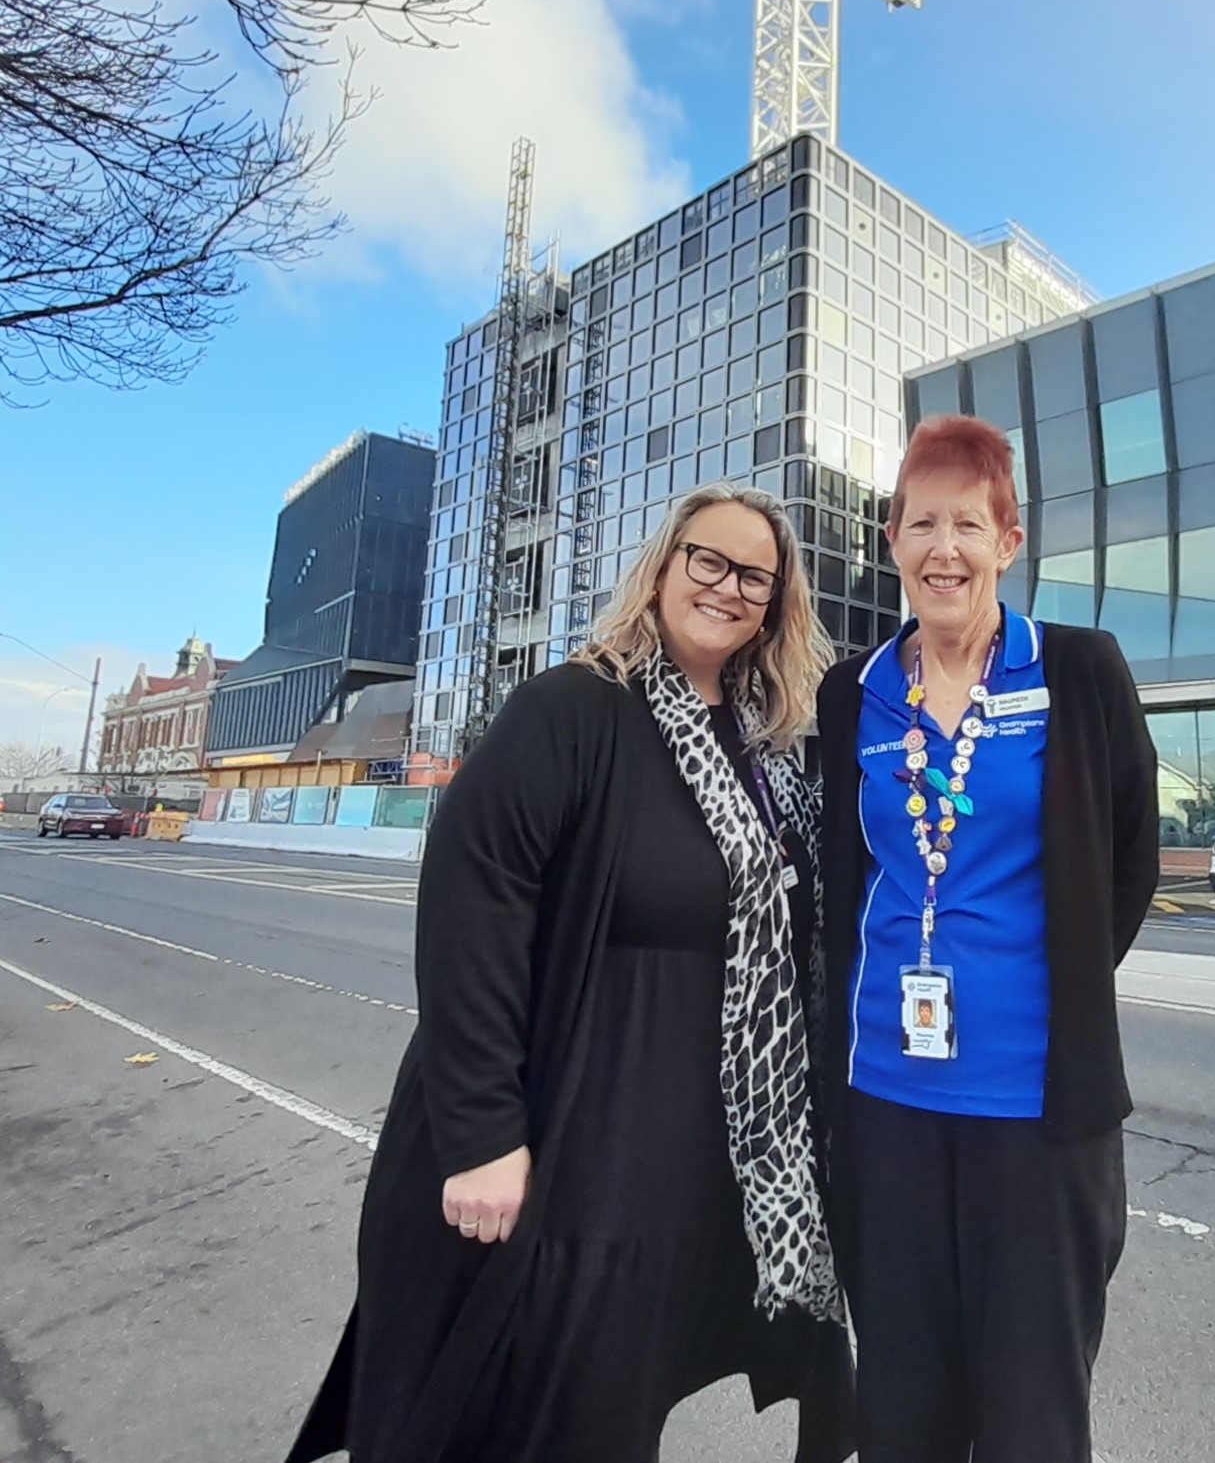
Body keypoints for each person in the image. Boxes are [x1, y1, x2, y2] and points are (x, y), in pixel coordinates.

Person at [286, 484, 853, 1463]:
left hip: (700, 1166)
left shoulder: (767, 748)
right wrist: (480, 1136)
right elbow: (473, 915)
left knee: (621, 1407)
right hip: (571, 1149)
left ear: (775, 603)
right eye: (707, 561)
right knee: (535, 1411)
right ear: (663, 568)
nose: (726, 587)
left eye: (753, 576)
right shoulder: (573, 708)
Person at [813, 414, 1160, 1463]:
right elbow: (840, 875)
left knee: (1030, 1417)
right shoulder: (852, 694)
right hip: (883, 1105)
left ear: (1008, 542)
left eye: (968, 525)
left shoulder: (1079, 672)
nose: (944, 549)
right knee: (902, 1406)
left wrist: (1050, 988)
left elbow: (1129, 861)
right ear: (892, 542)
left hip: (1035, 1116)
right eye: (922, 524)